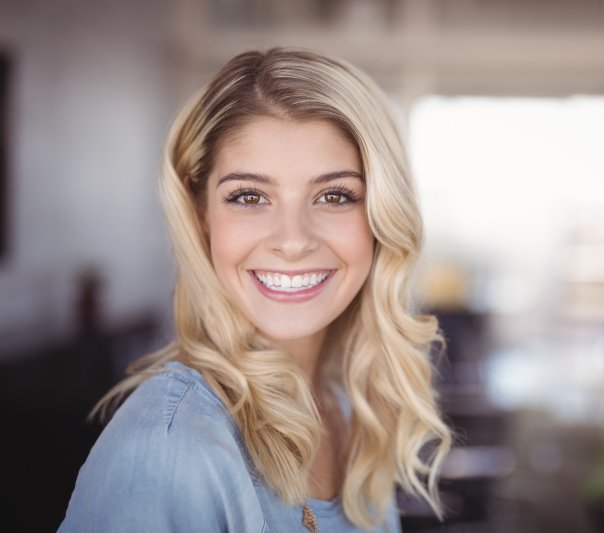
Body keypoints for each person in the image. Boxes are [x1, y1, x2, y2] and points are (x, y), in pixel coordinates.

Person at [59, 47, 451, 532]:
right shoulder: (168, 447)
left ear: (381, 216)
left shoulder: (348, 407)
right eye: (249, 196)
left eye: (335, 196)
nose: (292, 240)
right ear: (201, 213)